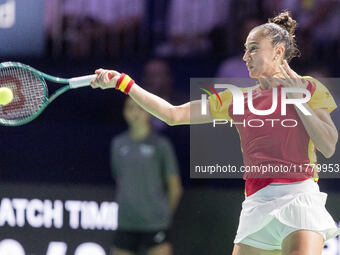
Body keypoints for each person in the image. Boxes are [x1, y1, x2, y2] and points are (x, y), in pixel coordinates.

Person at [91, 11, 339, 255]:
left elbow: (328, 146)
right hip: (257, 204)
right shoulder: (238, 98)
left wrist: (297, 100)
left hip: (299, 198)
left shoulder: (308, 88)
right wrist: (124, 83)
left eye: (253, 48)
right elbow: (173, 114)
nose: (245, 56)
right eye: (244, 49)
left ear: (278, 52)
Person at [110, 97, 182, 255]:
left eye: (140, 108)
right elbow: (119, 180)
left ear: (149, 112)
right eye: (130, 108)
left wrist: (162, 217)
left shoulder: (161, 145)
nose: (135, 112)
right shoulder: (118, 144)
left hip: (155, 225)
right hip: (126, 222)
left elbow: (175, 188)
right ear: (124, 112)